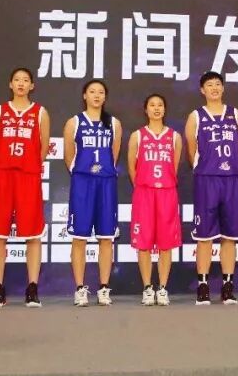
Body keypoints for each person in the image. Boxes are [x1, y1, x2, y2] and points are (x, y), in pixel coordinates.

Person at [0, 68, 50, 308]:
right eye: (17, 80)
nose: (21, 84)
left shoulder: (40, 112)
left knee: (32, 233)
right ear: (10, 84)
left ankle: (32, 288)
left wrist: (29, 165)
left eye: (25, 80)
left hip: (28, 176)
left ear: (32, 85)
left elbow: (43, 147)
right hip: (4, 175)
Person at [186, 71, 238, 306]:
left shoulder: (236, 114)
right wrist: (205, 167)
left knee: (230, 236)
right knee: (205, 236)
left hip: (231, 179)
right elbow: (192, 151)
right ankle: (203, 285)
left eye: (218, 84)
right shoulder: (196, 116)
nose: (214, 88)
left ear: (223, 88)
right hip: (207, 180)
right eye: (209, 85)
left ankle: (227, 286)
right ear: (202, 90)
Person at [65, 80, 122, 307]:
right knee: (79, 237)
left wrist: (102, 171)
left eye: (100, 92)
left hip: (106, 183)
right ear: (84, 96)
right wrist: (83, 172)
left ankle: (104, 288)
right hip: (83, 182)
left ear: (105, 97)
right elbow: (69, 156)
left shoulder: (114, 123)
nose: (96, 95)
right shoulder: (74, 122)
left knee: (106, 237)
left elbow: (114, 154)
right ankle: (80, 288)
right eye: (92, 92)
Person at [127, 94, 182, 307]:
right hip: (144, 193)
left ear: (165, 109)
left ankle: (163, 287)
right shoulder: (137, 136)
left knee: (166, 243)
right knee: (144, 243)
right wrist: (143, 185)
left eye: (160, 105)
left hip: (167, 192)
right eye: (152, 105)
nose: (156, 108)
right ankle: (148, 287)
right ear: (146, 110)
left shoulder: (174, 137)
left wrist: (163, 183)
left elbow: (174, 167)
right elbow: (132, 168)